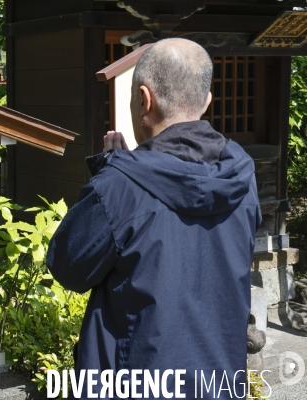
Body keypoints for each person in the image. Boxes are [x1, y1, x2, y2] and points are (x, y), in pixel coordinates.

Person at [47, 38, 261, 399]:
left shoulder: (119, 186)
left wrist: (109, 176)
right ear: (207, 101)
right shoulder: (241, 174)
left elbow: (67, 267)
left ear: (144, 100)